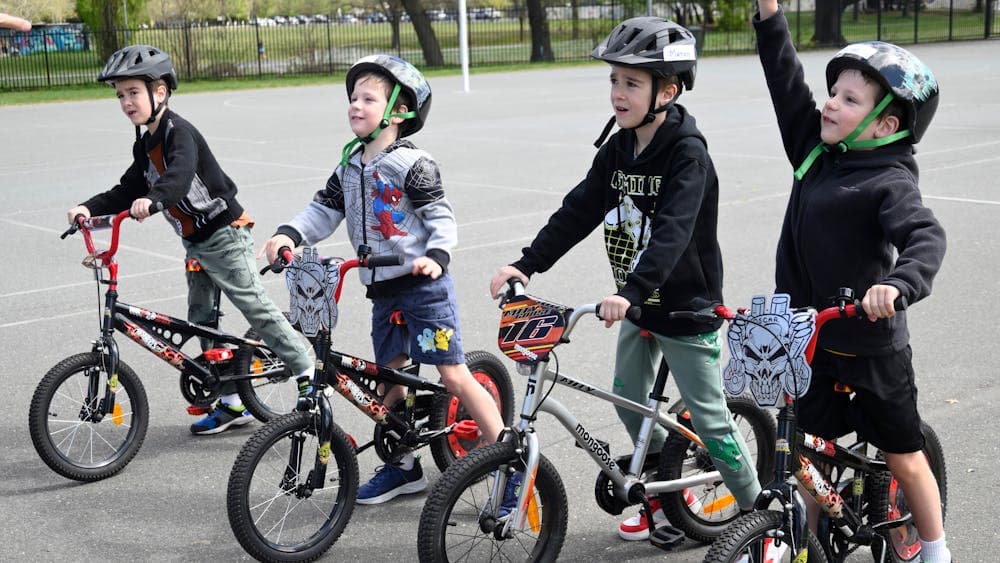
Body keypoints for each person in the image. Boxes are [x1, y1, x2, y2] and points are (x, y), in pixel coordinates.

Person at [489, 16, 761, 541]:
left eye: (631, 83)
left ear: (668, 89)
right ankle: (662, 491)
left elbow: (675, 233)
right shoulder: (619, 147)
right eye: (614, 80)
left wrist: (631, 291)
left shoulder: (687, 153)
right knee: (628, 398)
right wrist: (527, 263)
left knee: (710, 421)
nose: (617, 92)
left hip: (683, 308)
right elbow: (580, 209)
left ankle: (762, 517)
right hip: (637, 306)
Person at [261, 54, 505, 505]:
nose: (355, 105)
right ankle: (403, 467)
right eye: (353, 97)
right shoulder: (350, 163)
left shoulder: (413, 163)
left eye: (368, 98)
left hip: (423, 287)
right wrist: (288, 233)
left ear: (398, 111)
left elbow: (441, 218)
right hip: (382, 290)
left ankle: (506, 460)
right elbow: (323, 211)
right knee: (390, 381)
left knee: (452, 375)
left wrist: (436, 255)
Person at [753, 2, 949, 562]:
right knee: (806, 457)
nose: (830, 103)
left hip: (869, 345)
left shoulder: (889, 180)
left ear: (886, 124)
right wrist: (770, 15)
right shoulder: (813, 151)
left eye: (849, 99)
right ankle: (804, 548)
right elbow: (785, 79)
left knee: (904, 454)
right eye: (832, 91)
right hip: (809, 338)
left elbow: (924, 237)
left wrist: (900, 283)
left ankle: (936, 549)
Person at [66, 45, 314, 436]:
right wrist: (88, 208)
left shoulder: (180, 133)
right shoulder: (146, 143)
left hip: (225, 236)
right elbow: (127, 188)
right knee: (203, 322)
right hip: (196, 243)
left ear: (160, 92)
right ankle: (233, 402)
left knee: (255, 306)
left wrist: (156, 199)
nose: (126, 102)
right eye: (119, 95)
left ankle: (306, 369)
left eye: (133, 92)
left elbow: (179, 175)